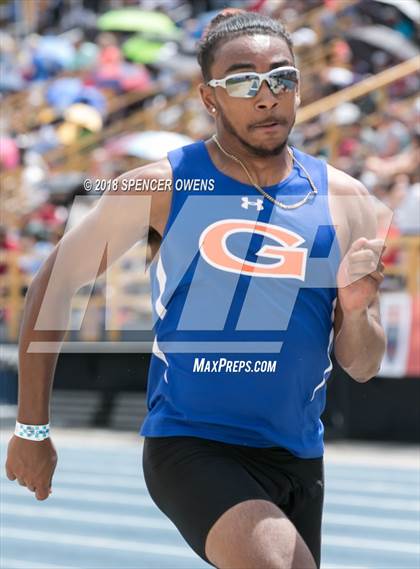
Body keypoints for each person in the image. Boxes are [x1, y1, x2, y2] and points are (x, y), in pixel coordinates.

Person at [5, 11, 387, 569]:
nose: (266, 96)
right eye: (242, 81)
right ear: (209, 98)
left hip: (299, 456)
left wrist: (356, 314)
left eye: (281, 78)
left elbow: (362, 364)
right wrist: (31, 429)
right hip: (192, 444)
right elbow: (54, 283)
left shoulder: (343, 198)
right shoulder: (161, 184)